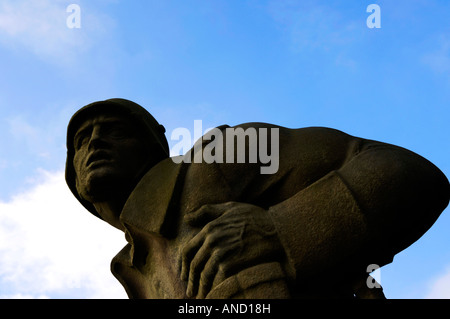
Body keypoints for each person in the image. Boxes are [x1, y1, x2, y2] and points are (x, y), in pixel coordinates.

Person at [65, 98, 450, 299]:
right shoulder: (132, 268)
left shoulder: (219, 156)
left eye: (115, 131)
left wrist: (281, 231)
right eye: (81, 141)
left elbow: (404, 170)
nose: (95, 141)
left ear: (153, 147)